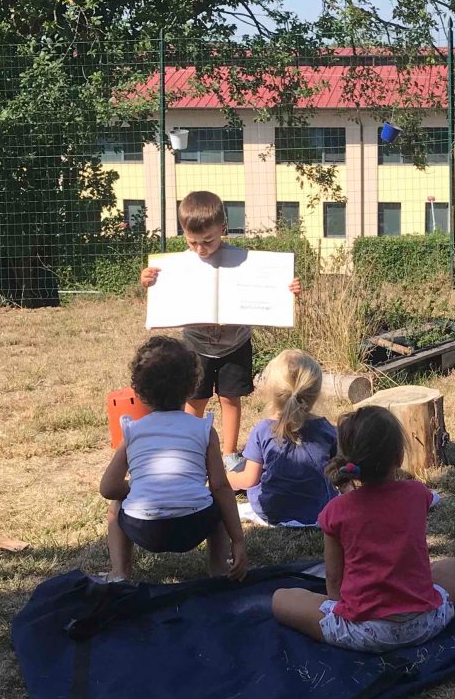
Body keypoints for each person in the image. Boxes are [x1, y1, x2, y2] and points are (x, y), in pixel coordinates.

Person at [270, 404, 455, 653]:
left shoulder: (336, 511)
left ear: (348, 460)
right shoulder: (417, 494)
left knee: (280, 599)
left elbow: (334, 580)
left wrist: (336, 608)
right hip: (425, 622)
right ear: (397, 456)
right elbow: (381, 510)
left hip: (363, 632)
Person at [139, 190, 302, 472]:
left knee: (230, 398)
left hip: (235, 344)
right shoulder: (176, 265)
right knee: (195, 399)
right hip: (196, 345)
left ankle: (228, 453)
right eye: (193, 242)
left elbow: (274, 287)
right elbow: (159, 289)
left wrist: (287, 288)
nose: (201, 249)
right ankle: (191, 448)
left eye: (208, 241)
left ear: (223, 229)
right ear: (184, 234)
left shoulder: (244, 261)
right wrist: (147, 279)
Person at [98, 336, 246, 582]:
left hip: (143, 528)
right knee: (217, 499)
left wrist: (137, 488)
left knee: (115, 507)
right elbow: (220, 487)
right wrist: (239, 540)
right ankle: (219, 568)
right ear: (192, 387)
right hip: (194, 525)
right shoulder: (204, 430)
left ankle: (119, 573)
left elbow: (108, 488)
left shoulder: (133, 431)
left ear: (140, 392)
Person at [228, 349, 338, 526]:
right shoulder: (327, 430)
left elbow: (249, 479)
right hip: (318, 508)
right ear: (315, 393)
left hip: (272, 510)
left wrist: (226, 479)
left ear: (271, 390)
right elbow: (338, 471)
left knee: (245, 471)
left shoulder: (262, 430)